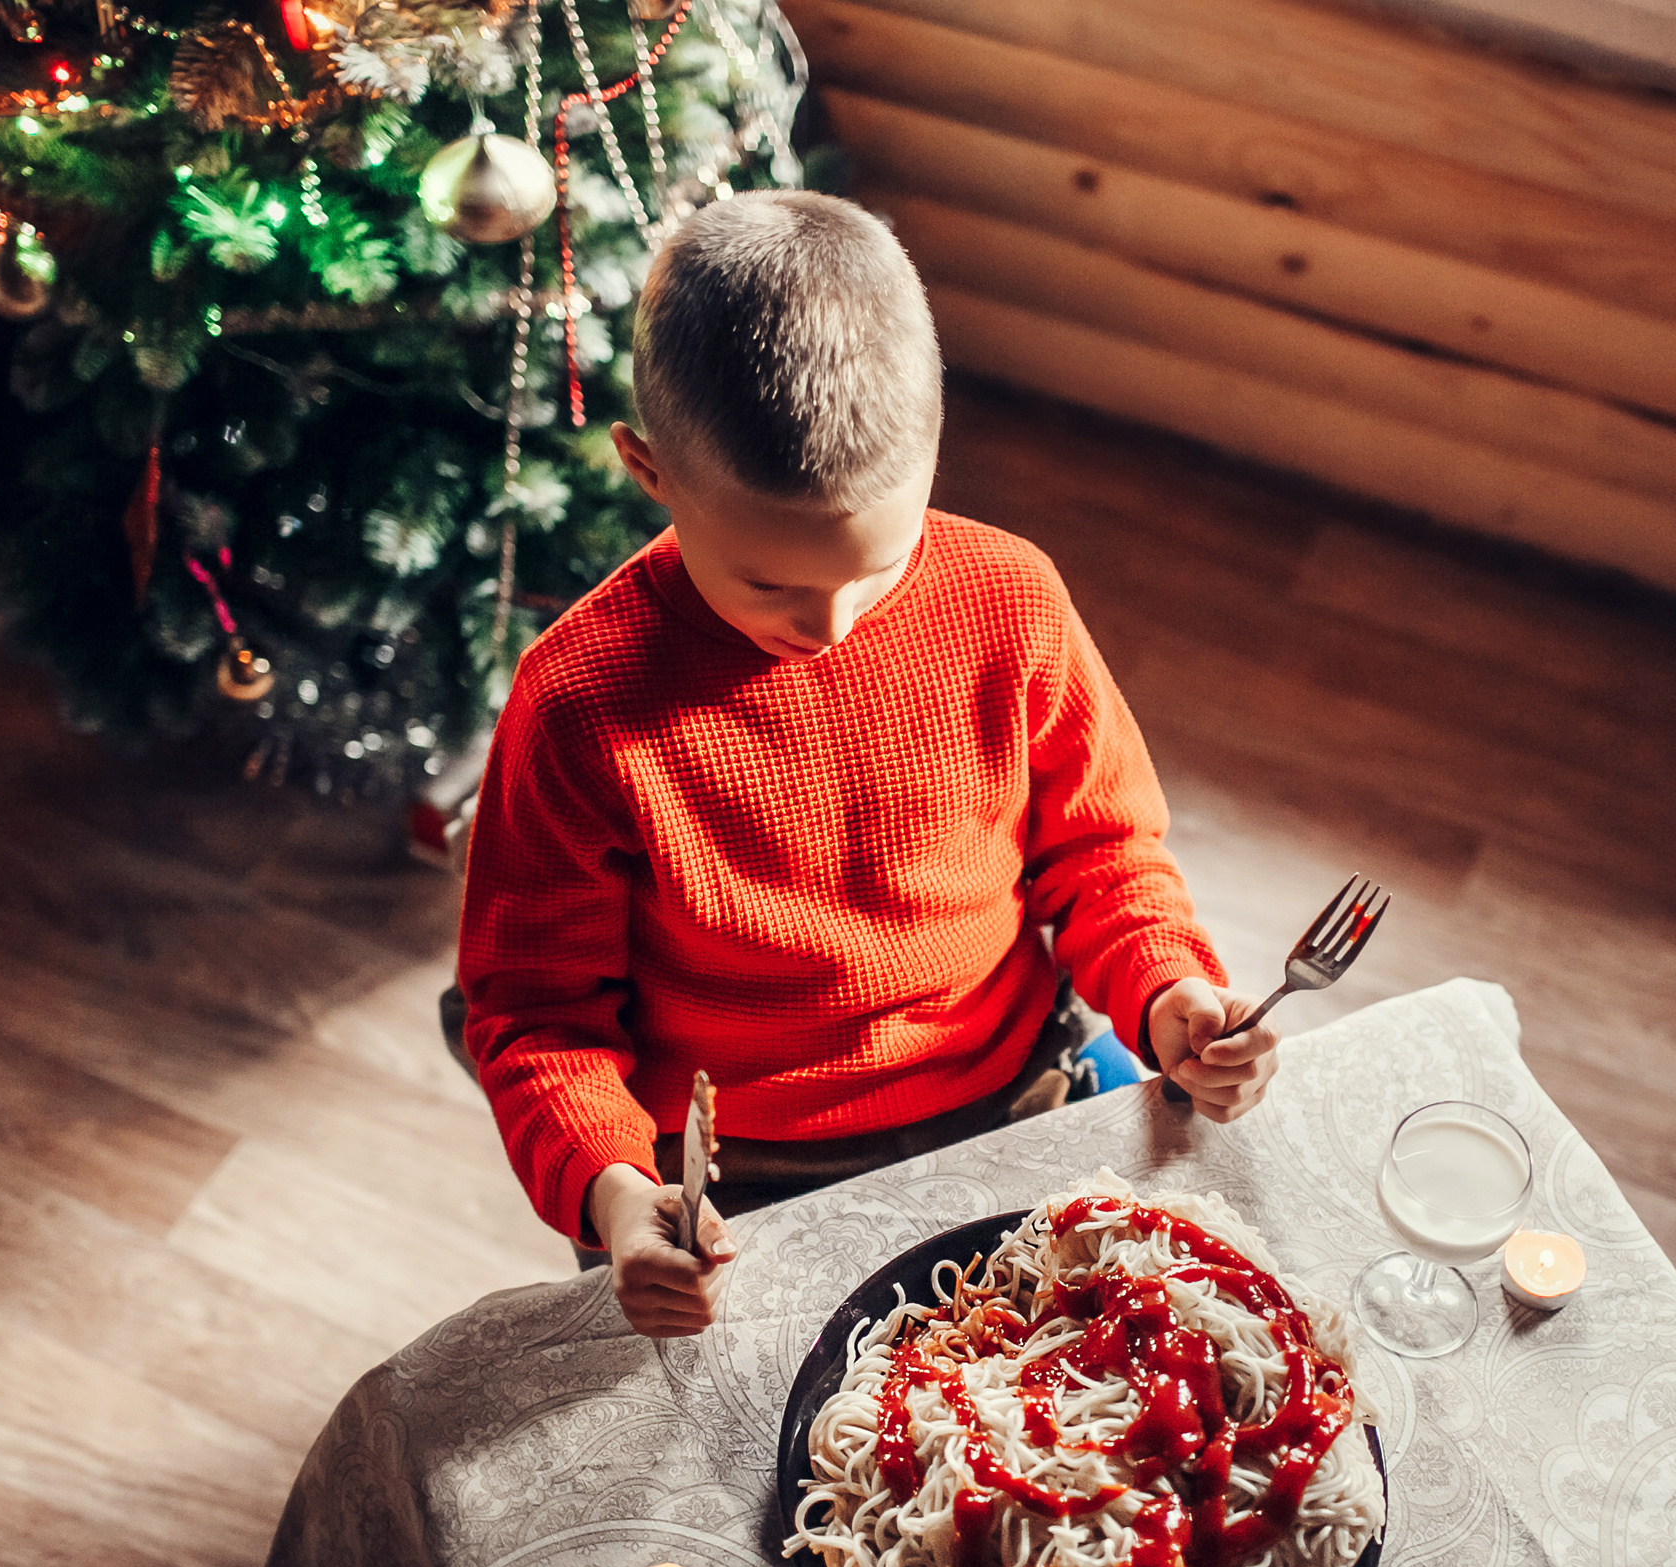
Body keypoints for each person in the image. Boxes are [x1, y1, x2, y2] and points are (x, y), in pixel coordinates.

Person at [454, 191, 1279, 1339]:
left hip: (1017, 1085)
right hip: (737, 1173)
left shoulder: (1011, 597)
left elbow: (1102, 854)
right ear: (647, 469)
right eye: (768, 583)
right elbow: (535, 1017)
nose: (830, 624)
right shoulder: (577, 704)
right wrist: (613, 1190)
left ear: (935, 444)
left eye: (878, 566)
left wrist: (1165, 987)